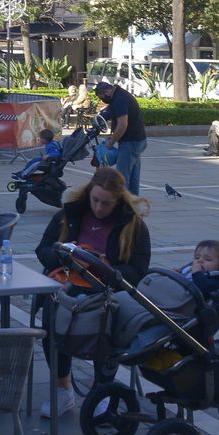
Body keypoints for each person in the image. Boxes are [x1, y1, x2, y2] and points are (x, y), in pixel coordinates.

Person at [34, 166, 150, 417]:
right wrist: (65, 256)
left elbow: (139, 270)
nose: (98, 208)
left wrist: (106, 268)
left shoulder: (132, 225)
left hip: (107, 294)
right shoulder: (70, 214)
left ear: (118, 201)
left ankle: (102, 389)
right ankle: (63, 387)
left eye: (106, 204)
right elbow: (42, 250)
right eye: (95, 200)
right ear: (88, 194)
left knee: (106, 320)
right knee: (53, 314)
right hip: (67, 286)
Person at [94, 79, 147, 195]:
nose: (102, 99)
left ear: (107, 91)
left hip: (130, 142)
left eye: (102, 96)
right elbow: (111, 113)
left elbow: (123, 124)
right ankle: (132, 205)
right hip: (138, 140)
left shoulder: (119, 100)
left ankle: (123, 205)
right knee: (133, 177)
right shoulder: (119, 94)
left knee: (121, 178)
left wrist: (111, 142)